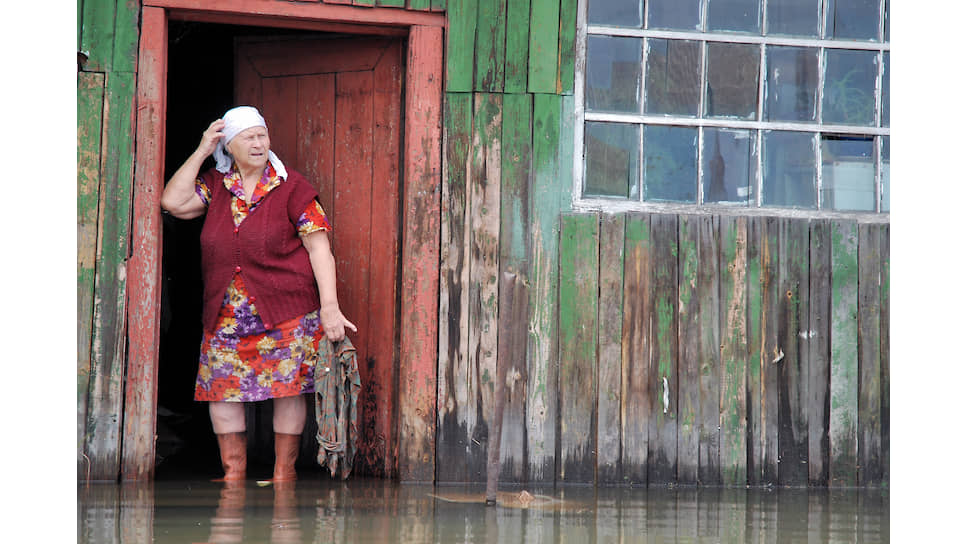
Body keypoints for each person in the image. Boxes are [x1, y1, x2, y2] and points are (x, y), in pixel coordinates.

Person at [161, 105, 356, 482]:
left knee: (287, 391)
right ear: (229, 146)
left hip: (285, 310)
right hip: (225, 312)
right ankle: (233, 475)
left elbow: (319, 249)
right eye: (248, 137)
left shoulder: (291, 187)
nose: (258, 143)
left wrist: (329, 308)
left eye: (262, 135)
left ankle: (284, 474)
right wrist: (202, 150)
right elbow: (172, 202)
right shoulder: (216, 185)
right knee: (221, 391)